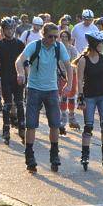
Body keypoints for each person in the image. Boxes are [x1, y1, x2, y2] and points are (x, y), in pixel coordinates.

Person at [16, 23, 72, 172]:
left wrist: (69, 83)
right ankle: (29, 155)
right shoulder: (34, 46)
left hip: (52, 90)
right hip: (34, 89)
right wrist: (20, 73)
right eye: (50, 36)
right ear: (43, 35)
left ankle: (54, 154)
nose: (53, 39)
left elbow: (68, 65)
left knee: (54, 124)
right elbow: (19, 60)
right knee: (31, 124)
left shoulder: (59, 47)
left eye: (56, 36)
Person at [74, 30, 103, 170]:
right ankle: (85, 155)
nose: (102, 45)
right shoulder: (83, 60)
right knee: (89, 126)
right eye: (100, 43)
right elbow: (79, 80)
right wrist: (80, 97)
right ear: (93, 44)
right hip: (89, 96)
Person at [0, 17, 26, 145]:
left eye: (12, 28)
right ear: (3, 30)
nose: (10, 31)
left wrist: (26, 76)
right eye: (7, 29)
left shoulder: (20, 44)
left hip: (18, 77)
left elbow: (25, 62)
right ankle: (6, 129)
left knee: (20, 103)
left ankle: (22, 128)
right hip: (5, 77)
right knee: (7, 104)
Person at [57, 29, 80, 134]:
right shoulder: (57, 48)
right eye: (62, 37)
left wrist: (69, 72)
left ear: (69, 38)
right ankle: (63, 117)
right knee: (62, 96)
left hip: (71, 74)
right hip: (60, 75)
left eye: (66, 37)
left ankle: (71, 116)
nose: (64, 39)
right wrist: (60, 71)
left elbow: (75, 61)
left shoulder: (72, 49)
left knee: (71, 96)